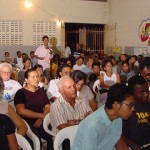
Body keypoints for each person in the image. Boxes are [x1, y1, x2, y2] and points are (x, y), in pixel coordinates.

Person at [72, 83, 135, 150]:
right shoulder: (92, 125)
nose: (133, 108)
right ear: (116, 105)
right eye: (130, 105)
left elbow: (116, 139)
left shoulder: (118, 116)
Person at [14, 69, 53, 150]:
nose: (36, 79)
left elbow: (48, 107)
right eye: (33, 77)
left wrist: (41, 118)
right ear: (26, 80)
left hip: (42, 120)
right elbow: (21, 110)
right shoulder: (20, 93)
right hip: (27, 123)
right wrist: (41, 115)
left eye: (37, 76)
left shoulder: (41, 91)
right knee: (36, 142)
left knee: (53, 137)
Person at [123, 76, 150, 150]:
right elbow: (117, 133)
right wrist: (133, 145)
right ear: (132, 93)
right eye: (142, 92)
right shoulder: (124, 107)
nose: (146, 94)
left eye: (147, 90)